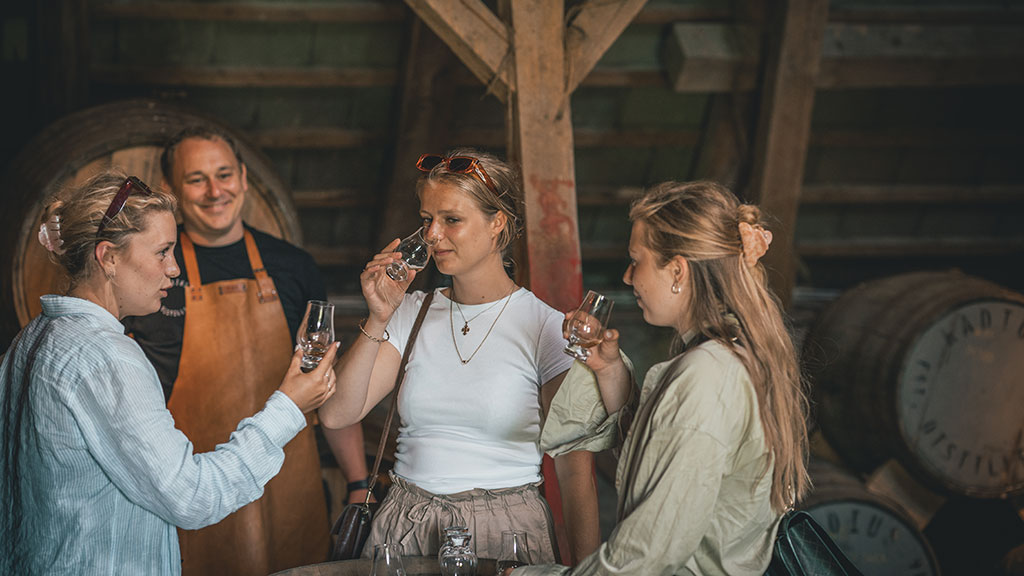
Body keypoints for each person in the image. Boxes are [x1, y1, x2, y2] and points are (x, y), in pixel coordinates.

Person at [0, 170, 339, 576]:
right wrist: (289, 407)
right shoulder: (108, 358)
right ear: (108, 258)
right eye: (162, 252)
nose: (174, 268)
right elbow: (192, 496)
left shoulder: (32, 338)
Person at [513, 181, 810, 575]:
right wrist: (610, 372)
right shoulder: (725, 353)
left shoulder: (707, 375)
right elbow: (666, 459)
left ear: (677, 270)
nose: (627, 276)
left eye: (637, 260)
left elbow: (645, 557)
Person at [318, 149, 600, 563]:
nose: (432, 235)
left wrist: (590, 571)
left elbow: (575, 471)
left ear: (496, 224)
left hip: (505, 533)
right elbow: (337, 414)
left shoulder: (546, 328)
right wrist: (379, 317)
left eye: (451, 220)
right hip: (404, 526)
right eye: (426, 219)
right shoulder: (410, 311)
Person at [120, 125, 369, 575]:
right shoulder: (150, 273)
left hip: (288, 482)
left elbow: (325, 383)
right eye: (197, 179)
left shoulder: (293, 267)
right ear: (173, 191)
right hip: (192, 487)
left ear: (244, 178)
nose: (215, 191)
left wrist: (357, 482)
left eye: (224, 174)